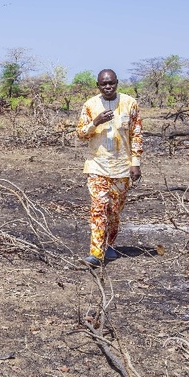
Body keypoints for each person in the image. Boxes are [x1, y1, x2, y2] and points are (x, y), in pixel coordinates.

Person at [76, 69, 142, 268]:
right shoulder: (90, 105)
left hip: (122, 167)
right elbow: (80, 134)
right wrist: (95, 123)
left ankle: (108, 245)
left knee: (114, 212)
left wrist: (136, 163)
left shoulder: (130, 104)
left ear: (117, 83)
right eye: (103, 84)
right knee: (99, 208)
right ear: (98, 85)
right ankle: (95, 254)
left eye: (111, 83)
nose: (108, 87)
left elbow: (136, 134)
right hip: (97, 165)